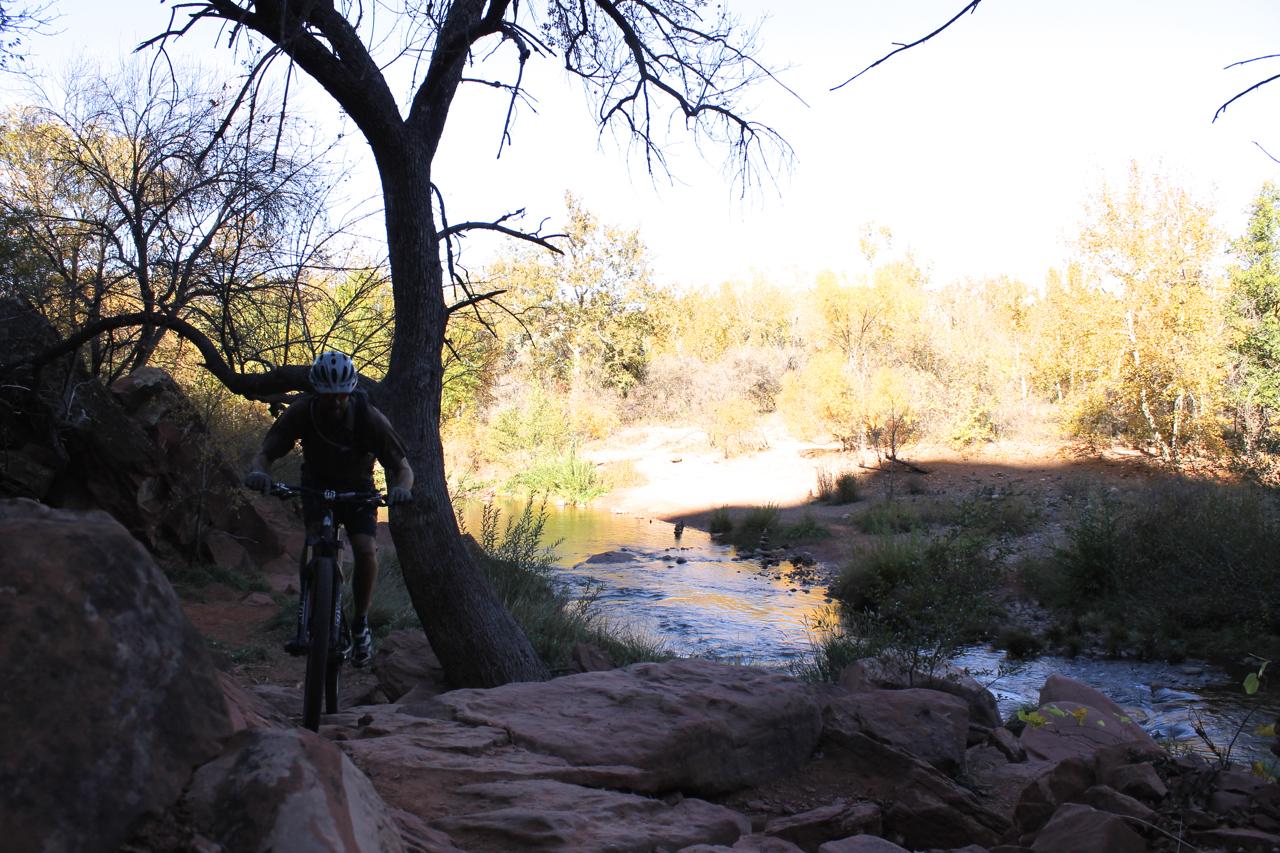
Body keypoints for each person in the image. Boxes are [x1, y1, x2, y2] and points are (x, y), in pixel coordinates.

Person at [244, 351, 414, 667]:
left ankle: (360, 622)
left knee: (365, 550)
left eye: (341, 396)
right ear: (315, 392)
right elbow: (266, 453)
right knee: (313, 542)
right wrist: (259, 472)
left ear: (350, 391)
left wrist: (402, 490)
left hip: (357, 489)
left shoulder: (369, 418)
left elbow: (403, 468)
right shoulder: (301, 413)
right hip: (316, 485)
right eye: (327, 397)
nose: (335, 403)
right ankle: (307, 616)